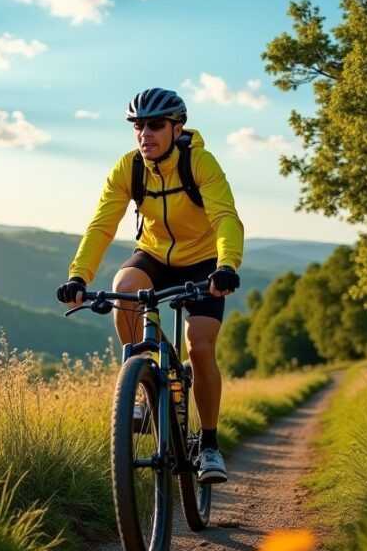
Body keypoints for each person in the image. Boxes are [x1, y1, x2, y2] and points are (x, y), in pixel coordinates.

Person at [57, 87, 243, 484]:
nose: (146, 134)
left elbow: (226, 218)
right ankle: (143, 383)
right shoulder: (129, 168)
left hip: (204, 262)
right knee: (124, 284)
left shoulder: (201, 163)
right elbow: (101, 226)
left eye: (156, 125)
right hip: (155, 256)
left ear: (177, 128)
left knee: (200, 346)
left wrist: (226, 265)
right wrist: (79, 276)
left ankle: (209, 445)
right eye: (138, 126)